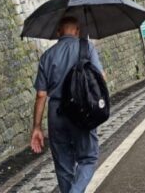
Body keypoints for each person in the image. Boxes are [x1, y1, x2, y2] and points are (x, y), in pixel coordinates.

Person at [31, 17, 104, 193]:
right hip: (81, 112)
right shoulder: (87, 48)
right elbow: (101, 78)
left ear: (58, 32)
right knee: (88, 158)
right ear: (77, 31)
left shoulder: (47, 56)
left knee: (63, 165)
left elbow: (41, 95)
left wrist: (37, 127)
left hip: (56, 114)